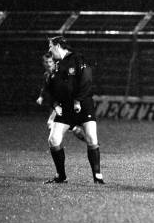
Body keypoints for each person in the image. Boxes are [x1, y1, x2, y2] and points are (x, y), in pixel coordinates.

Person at [42, 36, 104, 184]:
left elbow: (86, 80)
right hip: (65, 108)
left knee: (91, 137)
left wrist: (78, 100)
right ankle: (61, 176)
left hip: (83, 105)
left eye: (50, 46)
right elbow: (49, 89)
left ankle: (97, 177)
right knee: (53, 139)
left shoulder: (78, 58)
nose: (49, 50)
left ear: (57, 46)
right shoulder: (56, 65)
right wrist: (55, 104)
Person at [36, 52, 85, 141]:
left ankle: (56, 143)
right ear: (43, 63)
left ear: (54, 62)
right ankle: (90, 142)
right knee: (70, 126)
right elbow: (45, 87)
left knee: (51, 123)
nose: (48, 64)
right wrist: (41, 97)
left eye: (50, 62)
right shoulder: (47, 75)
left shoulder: (60, 71)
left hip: (64, 102)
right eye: (46, 62)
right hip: (57, 103)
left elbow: (71, 73)